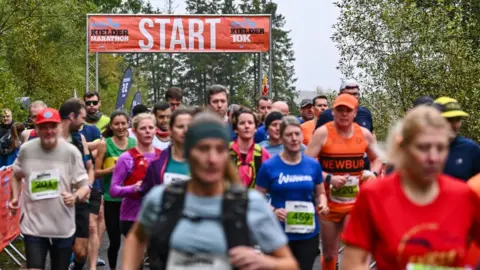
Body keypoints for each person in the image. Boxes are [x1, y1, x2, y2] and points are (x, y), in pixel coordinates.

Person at [121, 111, 299, 270]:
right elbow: (135, 238)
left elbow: (290, 264)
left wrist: (264, 263)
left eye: (220, 150)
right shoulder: (162, 199)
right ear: (188, 153)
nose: (212, 159)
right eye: (203, 149)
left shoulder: (250, 203)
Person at [342, 106, 480, 269]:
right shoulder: (374, 195)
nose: (433, 157)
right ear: (403, 147)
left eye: (441, 148)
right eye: (423, 147)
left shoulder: (464, 195)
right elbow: (354, 263)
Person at [305, 93, 382, 270]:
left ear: (355, 112)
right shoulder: (322, 133)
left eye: (348, 110)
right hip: (328, 202)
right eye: (340, 110)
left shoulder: (364, 134)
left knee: (353, 251)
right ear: (333, 112)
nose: (344, 114)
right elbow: (307, 165)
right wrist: (329, 178)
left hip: (354, 203)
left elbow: (377, 159)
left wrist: (373, 174)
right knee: (330, 253)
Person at [8, 108, 90, 270]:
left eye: (52, 126)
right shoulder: (27, 150)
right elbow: (15, 175)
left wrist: (75, 197)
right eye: (43, 127)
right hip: (34, 226)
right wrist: (15, 198)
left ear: (59, 127)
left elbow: (84, 186)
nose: (48, 131)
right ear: (36, 129)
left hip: (62, 226)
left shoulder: (71, 152)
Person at [256, 116, 329, 270]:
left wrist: (323, 203)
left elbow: (320, 193)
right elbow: (258, 198)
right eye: (289, 135)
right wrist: (273, 211)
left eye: (297, 134)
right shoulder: (269, 166)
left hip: (308, 233)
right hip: (278, 234)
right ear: (281, 138)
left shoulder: (312, 165)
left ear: (302, 137)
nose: (294, 138)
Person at [95, 111, 136, 270]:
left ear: (128, 124)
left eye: (123, 123)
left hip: (131, 199)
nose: (120, 127)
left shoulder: (134, 143)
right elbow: (96, 172)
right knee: (115, 242)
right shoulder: (105, 144)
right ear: (111, 126)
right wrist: (113, 170)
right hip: (112, 199)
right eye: (116, 124)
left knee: (133, 240)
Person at [58, 100, 96, 270]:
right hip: (56, 202)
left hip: (80, 199)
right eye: (82, 117)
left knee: (81, 252)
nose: (84, 122)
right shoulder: (50, 137)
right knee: (61, 250)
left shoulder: (79, 138)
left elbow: (90, 167)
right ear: (72, 116)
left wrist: (88, 186)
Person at [110, 113, 160, 238]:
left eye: (150, 128)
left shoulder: (162, 156)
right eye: (143, 128)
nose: (147, 131)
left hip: (157, 216)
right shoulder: (126, 158)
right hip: (132, 217)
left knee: (156, 256)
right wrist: (133, 188)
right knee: (140, 257)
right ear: (134, 132)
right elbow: (113, 190)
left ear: (155, 130)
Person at [434, 97, 480, 181]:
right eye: (449, 120)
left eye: (458, 119)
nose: (455, 125)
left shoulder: (470, 149)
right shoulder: (419, 149)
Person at [230, 108, 270, 188]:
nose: (247, 126)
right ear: (235, 129)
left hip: (255, 199)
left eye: (250, 123)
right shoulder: (225, 151)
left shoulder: (263, 154)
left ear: (255, 128)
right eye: (242, 123)